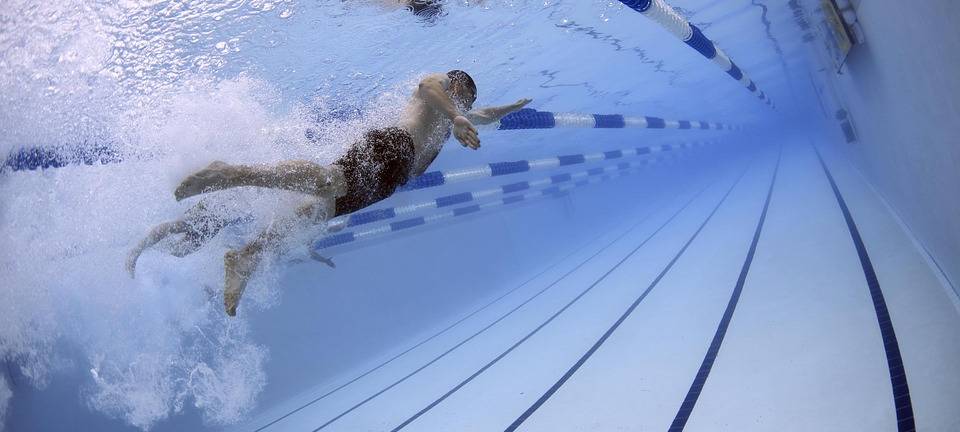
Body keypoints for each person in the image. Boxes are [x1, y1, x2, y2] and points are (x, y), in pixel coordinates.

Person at [171, 70, 531, 316]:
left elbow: (482, 115)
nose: (465, 105)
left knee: (315, 213)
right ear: (456, 84)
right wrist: (455, 116)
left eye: (467, 103)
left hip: (390, 180)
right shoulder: (441, 88)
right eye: (464, 96)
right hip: (394, 146)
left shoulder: (458, 112)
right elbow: (426, 87)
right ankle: (230, 173)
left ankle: (248, 255)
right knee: (329, 182)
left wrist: (509, 108)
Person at [126, 199, 258, 278]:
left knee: (180, 252)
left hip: (216, 224)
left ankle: (151, 243)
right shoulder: (252, 190)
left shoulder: (262, 206)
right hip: (209, 209)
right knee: (178, 226)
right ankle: (136, 250)